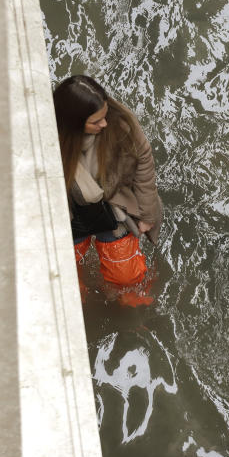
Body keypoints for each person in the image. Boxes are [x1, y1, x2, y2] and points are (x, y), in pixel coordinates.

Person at [53, 75, 163, 306]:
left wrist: (146, 213)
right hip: (72, 214)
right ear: (73, 122)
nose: (105, 124)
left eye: (105, 116)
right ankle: (77, 297)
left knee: (126, 275)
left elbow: (144, 161)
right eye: (96, 122)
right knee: (64, 271)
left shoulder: (119, 124)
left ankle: (128, 297)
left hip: (113, 208)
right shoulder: (50, 141)